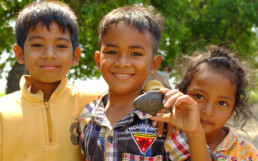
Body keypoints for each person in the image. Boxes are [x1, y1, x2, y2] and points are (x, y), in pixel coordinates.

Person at [79, 5, 211, 161]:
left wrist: (195, 132)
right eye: (112, 52)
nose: (122, 63)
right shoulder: (86, 116)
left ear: (154, 64)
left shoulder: (164, 119)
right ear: (98, 60)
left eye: (136, 53)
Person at [0, 1, 101, 161]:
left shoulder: (93, 102)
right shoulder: (3, 111)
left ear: (75, 56)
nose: (49, 54)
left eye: (61, 46)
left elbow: (135, 95)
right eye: (37, 44)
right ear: (19, 53)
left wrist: (156, 91)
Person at [151, 45, 258, 160]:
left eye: (222, 103)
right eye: (199, 96)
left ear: (232, 110)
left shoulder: (246, 153)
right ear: (182, 93)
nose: (208, 111)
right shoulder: (164, 134)